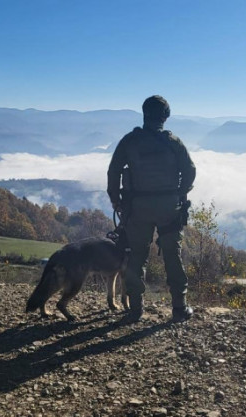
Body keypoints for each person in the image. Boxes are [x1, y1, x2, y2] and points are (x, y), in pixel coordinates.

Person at [107, 95, 196, 323]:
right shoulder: (173, 142)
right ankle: (179, 307)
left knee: (137, 256)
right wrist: (179, 192)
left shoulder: (130, 141)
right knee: (173, 256)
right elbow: (190, 171)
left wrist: (116, 200)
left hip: (137, 207)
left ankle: (135, 308)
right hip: (169, 208)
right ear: (165, 116)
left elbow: (114, 171)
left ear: (144, 114)